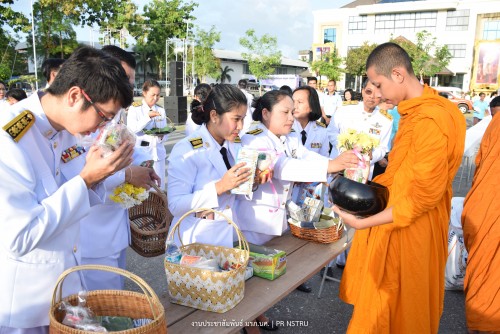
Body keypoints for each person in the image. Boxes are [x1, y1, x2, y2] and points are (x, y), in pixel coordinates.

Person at [333, 42, 466, 333]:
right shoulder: (416, 112)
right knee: (380, 313)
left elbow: (422, 197)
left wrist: (361, 222)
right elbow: (400, 174)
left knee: (398, 314)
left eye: (379, 85)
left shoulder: (433, 118)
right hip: (392, 219)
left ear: (398, 74)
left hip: (411, 231)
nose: (377, 94)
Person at [0, 46, 134, 333]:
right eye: (103, 115)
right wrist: (86, 179)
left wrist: (99, 175)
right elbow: (19, 236)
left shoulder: (63, 129)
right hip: (25, 304)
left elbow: (70, 194)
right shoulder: (9, 137)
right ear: (75, 96)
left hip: (65, 295)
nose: (103, 126)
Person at [79, 44, 159, 291]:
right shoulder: (85, 119)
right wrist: (128, 175)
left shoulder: (114, 116)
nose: (128, 88)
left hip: (115, 227)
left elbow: (125, 151)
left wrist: (142, 165)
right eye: (123, 78)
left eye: (131, 82)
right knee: (99, 307)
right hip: (91, 235)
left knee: (116, 296)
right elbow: (81, 175)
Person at [237, 90, 359, 245]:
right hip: (257, 225)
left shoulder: (288, 136)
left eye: (292, 112)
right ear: (266, 113)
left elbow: (306, 155)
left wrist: (336, 164)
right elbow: (282, 167)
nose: (291, 118)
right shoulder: (253, 139)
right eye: (285, 112)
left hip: (282, 221)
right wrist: (331, 165)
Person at [167, 84, 251, 248]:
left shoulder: (234, 144)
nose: (240, 127)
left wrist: (249, 181)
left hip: (229, 236)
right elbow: (175, 205)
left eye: (243, 119)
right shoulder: (187, 149)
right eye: (236, 119)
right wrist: (219, 187)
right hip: (195, 241)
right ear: (214, 115)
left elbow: (234, 193)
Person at [461, 109, 500, 333]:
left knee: (485, 276)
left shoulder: (495, 122)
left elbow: (479, 158)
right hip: (490, 202)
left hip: (488, 202)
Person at [328, 78, 392, 180]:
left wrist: (371, 156)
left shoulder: (386, 120)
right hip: (338, 165)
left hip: (363, 172)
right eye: (368, 92)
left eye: (377, 94)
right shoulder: (345, 109)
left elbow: (382, 148)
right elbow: (331, 132)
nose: (372, 97)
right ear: (362, 91)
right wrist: (345, 148)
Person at [127, 79, 169, 189]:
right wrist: (147, 117)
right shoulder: (135, 108)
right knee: (143, 189)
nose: (155, 98)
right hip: (142, 153)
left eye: (158, 95)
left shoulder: (161, 110)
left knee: (159, 188)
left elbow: (165, 132)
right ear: (144, 93)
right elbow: (132, 130)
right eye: (152, 95)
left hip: (158, 154)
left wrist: (161, 136)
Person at [292, 86, 329, 157]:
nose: (295, 106)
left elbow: (324, 159)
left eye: (300, 102)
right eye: (293, 101)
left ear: (312, 106)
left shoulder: (322, 131)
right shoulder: (285, 129)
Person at [371, 99, 398, 178]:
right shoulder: (374, 113)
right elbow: (369, 137)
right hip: (375, 158)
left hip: (385, 156)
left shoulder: (388, 117)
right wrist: (380, 158)